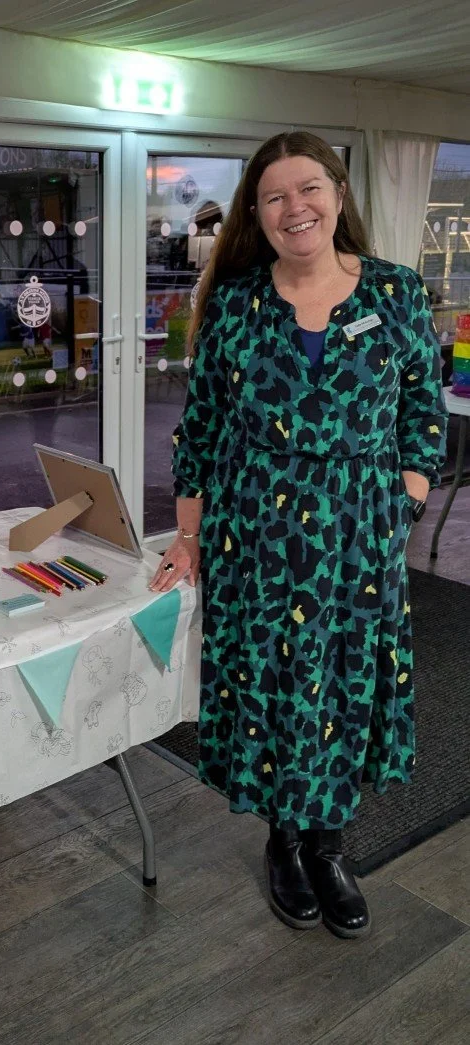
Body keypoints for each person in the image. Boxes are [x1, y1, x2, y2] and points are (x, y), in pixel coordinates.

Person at [149, 131, 448, 939]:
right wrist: (188, 535)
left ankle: (329, 845)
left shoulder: (394, 291)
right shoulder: (236, 302)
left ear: (339, 195)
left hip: (358, 538)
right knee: (274, 682)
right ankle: (284, 838)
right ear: (257, 213)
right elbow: (201, 428)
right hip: (256, 538)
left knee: (344, 684)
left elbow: (424, 409)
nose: (295, 208)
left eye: (308, 188)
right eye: (274, 196)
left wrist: (404, 501)